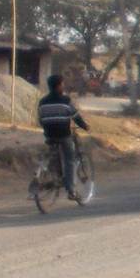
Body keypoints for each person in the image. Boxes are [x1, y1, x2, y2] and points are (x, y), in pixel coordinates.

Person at [37, 73, 90, 201]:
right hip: (63, 134)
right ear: (59, 86)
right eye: (62, 84)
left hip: (49, 134)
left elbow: (40, 119)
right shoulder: (65, 100)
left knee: (53, 156)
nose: (64, 86)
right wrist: (85, 126)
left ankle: (54, 176)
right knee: (69, 159)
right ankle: (71, 191)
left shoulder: (42, 101)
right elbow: (75, 116)